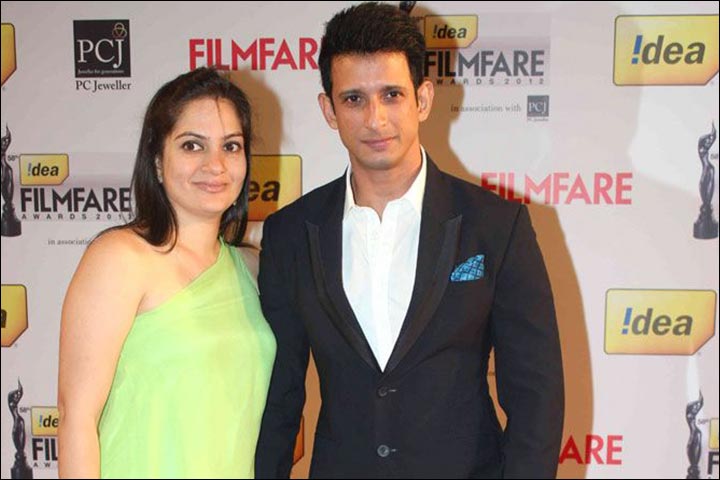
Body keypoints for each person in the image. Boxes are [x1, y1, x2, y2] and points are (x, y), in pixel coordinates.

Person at [255, 2, 564, 478]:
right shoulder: (291, 233)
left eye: (392, 95)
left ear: (422, 99)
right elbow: (279, 399)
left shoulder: (497, 226)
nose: (375, 119)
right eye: (354, 99)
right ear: (329, 110)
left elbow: (536, 398)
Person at [57, 67, 276, 479]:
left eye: (231, 146)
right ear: (157, 161)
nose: (216, 164)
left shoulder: (253, 269)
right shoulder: (120, 259)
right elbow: (76, 418)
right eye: (192, 145)